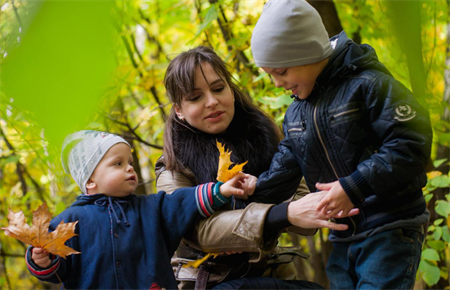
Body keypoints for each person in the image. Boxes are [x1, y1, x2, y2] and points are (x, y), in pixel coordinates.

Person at [248, 1, 433, 289]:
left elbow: (411, 143)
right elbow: (286, 165)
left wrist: (353, 186)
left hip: (390, 226)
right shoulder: (296, 113)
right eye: (271, 74)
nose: (276, 83)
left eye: (281, 72)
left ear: (307, 52)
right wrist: (255, 189)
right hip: (343, 235)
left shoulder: (369, 85)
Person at [157, 46, 359, 290]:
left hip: (271, 272)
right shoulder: (172, 165)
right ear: (178, 109)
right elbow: (199, 231)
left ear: (231, 90)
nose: (212, 102)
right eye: (195, 97)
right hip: (207, 281)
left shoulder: (266, 137)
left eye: (219, 88)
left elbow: (305, 201)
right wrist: (283, 214)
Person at [25, 130, 250, 290]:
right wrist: (41, 260)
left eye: (129, 161)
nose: (129, 167)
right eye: (118, 163)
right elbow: (55, 269)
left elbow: (184, 201)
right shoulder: (69, 221)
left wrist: (221, 190)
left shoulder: (150, 208)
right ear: (91, 179)